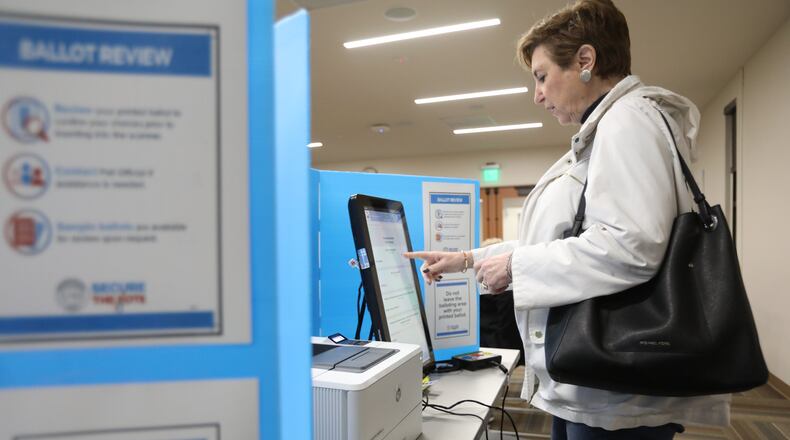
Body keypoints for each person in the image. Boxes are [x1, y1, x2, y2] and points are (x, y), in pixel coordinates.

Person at [404, 0, 730, 438]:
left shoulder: (626, 122)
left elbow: (631, 246)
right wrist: (467, 259)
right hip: (594, 381)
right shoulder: (607, 130)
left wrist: (515, 268)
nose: (537, 94)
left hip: (612, 389)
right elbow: (567, 240)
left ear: (585, 61)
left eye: (541, 76)